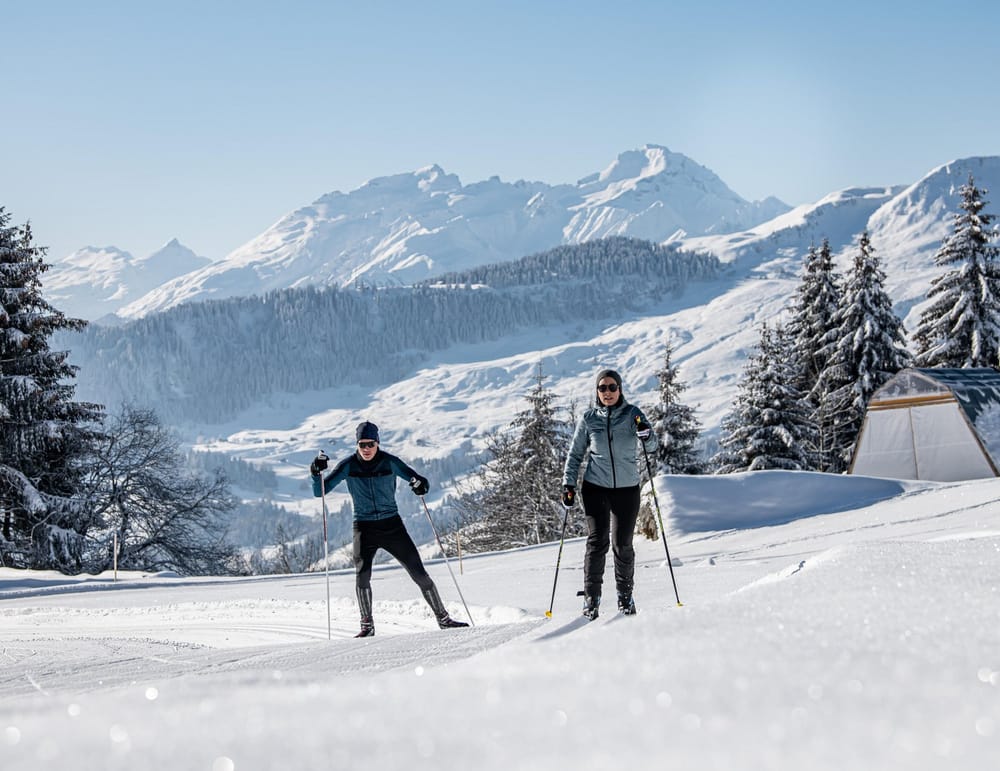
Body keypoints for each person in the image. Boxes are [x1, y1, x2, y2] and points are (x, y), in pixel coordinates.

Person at [310, 420, 469, 637]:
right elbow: (320, 492)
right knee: (362, 574)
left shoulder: (390, 462)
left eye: (370, 444)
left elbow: (419, 481)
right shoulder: (348, 466)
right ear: (357, 444)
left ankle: (443, 619)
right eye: (362, 444)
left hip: (392, 525)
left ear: (378, 443)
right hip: (364, 527)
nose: (366, 449)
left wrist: (420, 486)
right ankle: (367, 627)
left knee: (419, 573)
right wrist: (315, 472)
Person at [562, 368, 658, 620]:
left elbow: (652, 444)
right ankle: (591, 599)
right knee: (597, 542)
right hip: (595, 487)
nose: (607, 392)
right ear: (596, 391)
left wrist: (646, 434)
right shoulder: (588, 419)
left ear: (620, 389)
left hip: (627, 489)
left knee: (622, 544)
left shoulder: (632, 414)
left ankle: (625, 597)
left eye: (612, 387)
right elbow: (575, 455)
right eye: (602, 388)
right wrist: (568, 485)